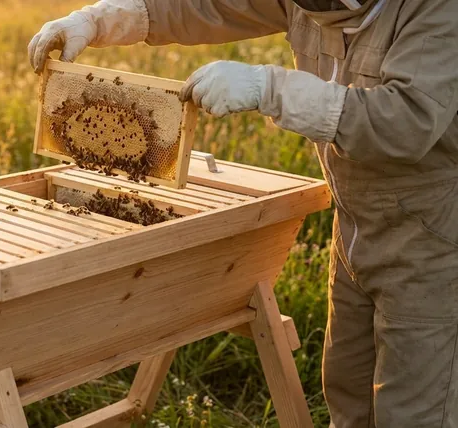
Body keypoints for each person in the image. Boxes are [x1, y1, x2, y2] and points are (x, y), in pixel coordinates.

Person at [28, 1, 458, 426]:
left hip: (435, 238)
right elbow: (206, 5)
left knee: (416, 407)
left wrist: (271, 89)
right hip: (355, 226)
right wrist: (98, 19)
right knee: (348, 386)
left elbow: (405, 121)